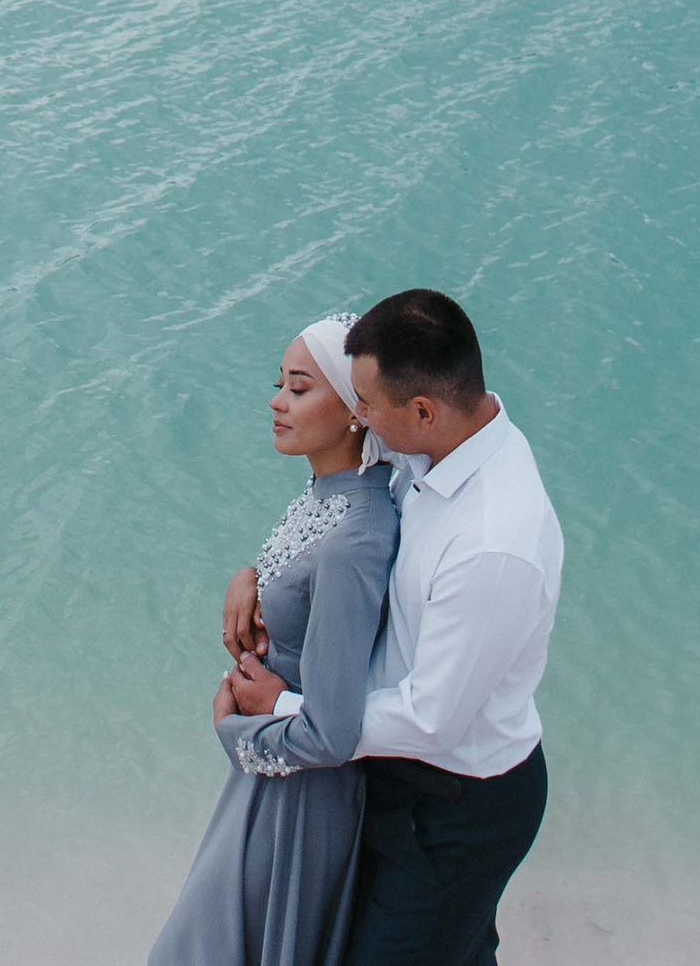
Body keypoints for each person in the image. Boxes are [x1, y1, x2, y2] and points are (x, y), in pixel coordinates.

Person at [226, 289, 561, 966]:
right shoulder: (430, 442)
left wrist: (286, 710)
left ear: (424, 411)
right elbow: (336, 498)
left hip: (454, 806)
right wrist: (257, 573)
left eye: (367, 406)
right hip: (392, 778)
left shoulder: (494, 542)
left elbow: (431, 719)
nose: (359, 416)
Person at [149, 314, 401, 966]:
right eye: (279, 384)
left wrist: (232, 728)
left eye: (298, 388)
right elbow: (303, 580)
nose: (276, 401)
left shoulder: (357, 537)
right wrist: (251, 577)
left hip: (298, 795)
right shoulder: (332, 494)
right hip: (274, 779)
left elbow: (332, 733)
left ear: (355, 410)